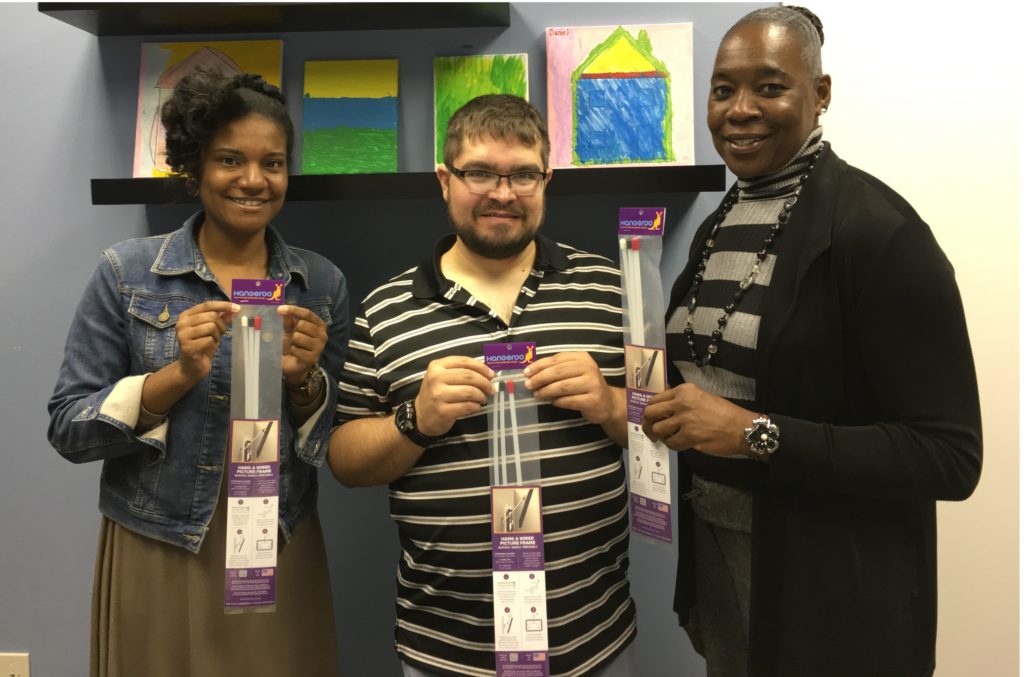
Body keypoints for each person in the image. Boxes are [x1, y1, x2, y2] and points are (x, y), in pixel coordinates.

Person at [641, 6, 982, 676]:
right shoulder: (724, 221)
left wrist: (755, 433)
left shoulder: (880, 233)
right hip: (724, 561)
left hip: (833, 598)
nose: (739, 110)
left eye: (769, 87)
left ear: (820, 94)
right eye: (723, 90)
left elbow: (950, 455)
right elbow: (708, 388)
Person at [47, 69, 349, 677]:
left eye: (273, 163)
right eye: (229, 160)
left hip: (278, 540)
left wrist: (305, 382)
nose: (253, 181)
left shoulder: (322, 285)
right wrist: (176, 375)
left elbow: (335, 443)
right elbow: (69, 429)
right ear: (195, 168)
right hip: (158, 542)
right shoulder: (126, 273)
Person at [329, 94, 637, 677]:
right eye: (480, 173)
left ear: (546, 179)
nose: (503, 193)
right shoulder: (385, 309)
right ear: (445, 180)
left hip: (593, 635)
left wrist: (610, 403)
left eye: (523, 174)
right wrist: (413, 420)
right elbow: (345, 461)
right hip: (446, 647)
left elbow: (665, 432)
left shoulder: (609, 290)